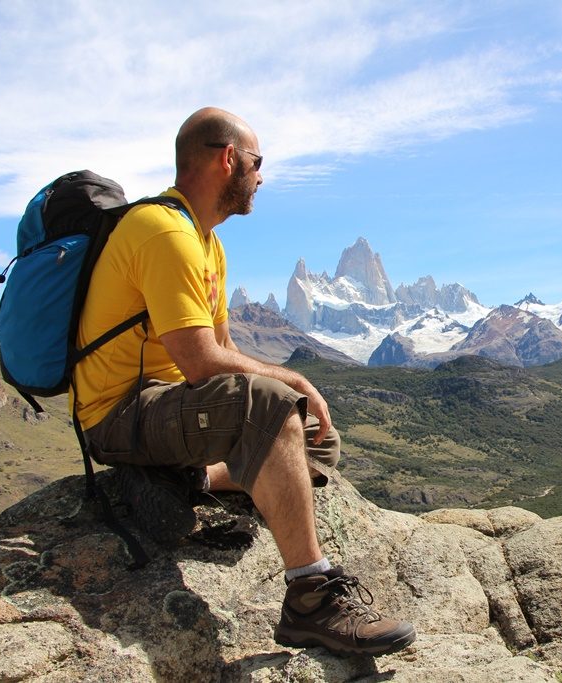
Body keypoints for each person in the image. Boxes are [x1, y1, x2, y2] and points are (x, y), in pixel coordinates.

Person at [73, 106, 416, 657]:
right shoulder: (163, 231)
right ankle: (310, 597)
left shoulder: (207, 241)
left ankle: (193, 482)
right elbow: (203, 364)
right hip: (120, 413)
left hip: (166, 407)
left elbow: (225, 348)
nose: (262, 175)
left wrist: (294, 395)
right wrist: (295, 379)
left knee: (316, 435)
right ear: (228, 159)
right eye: (258, 161)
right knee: (276, 405)